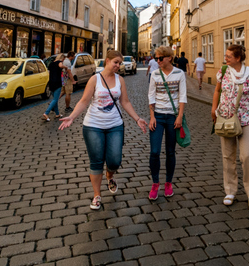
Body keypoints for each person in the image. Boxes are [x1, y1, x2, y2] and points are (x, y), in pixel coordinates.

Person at [59, 50, 148, 210]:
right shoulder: (95, 79)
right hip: (93, 126)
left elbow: (125, 102)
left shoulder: (120, 80)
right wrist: (72, 117)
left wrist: (137, 118)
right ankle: (96, 195)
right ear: (107, 61)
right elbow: (84, 101)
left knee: (115, 160)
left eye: (119, 63)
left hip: (115, 125)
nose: (118, 66)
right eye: (115, 62)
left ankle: (110, 176)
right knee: (97, 161)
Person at [211, 44, 249, 210]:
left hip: (246, 119)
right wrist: (213, 108)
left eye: (229, 56)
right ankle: (230, 190)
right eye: (226, 56)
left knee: (247, 156)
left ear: (238, 58)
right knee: (228, 156)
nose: (225, 59)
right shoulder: (223, 71)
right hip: (225, 119)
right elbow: (217, 91)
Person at [147, 46, 187, 201]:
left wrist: (179, 117)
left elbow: (182, 96)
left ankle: (168, 183)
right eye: (156, 58)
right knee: (154, 152)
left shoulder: (179, 73)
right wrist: (152, 116)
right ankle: (155, 183)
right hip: (158, 116)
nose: (157, 61)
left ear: (169, 58)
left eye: (160, 58)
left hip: (172, 117)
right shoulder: (155, 74)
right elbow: (151, 95)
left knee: (170, 152)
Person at [43, 54, 65, 121]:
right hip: (57, 82)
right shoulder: (59, 62)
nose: (63, 61)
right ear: (61, 58)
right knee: (55, 99)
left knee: (55, 99)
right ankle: (46, 113)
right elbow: (61, 65)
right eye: (63, 59)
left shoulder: (51, 64)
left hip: (51, 82)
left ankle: (57, 113)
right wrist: (65, 67)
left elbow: (49, 73)